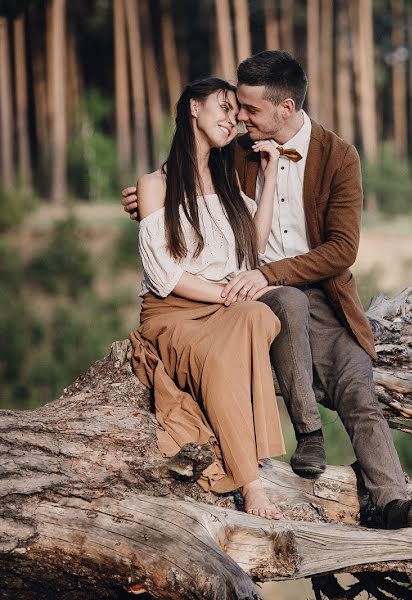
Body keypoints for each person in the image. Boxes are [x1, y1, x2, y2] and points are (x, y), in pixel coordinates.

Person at [124, 51, 412, 529]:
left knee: (358, 390)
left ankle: (393, 503)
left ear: (285, 107)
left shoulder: (338, 156)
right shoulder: (238, 152)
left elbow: (342, 249)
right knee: (277, 309)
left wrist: (269, 275)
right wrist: (146, 200)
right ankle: (306, 436)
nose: (239, 119)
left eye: (248, 110)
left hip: (314, 293)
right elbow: (186, 179)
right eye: (234, 109)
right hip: (250, 294)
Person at [129, 77, 287, 520]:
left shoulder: (227, 182)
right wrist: (226, 293)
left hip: (226, 308)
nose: (233, 117)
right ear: (192, 108)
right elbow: (165, 274)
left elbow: (252, 248)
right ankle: (252, 485)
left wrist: (270, 175)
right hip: (174, 313)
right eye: (224, 106)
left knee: (258, 314)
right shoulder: (154, 185)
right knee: (226, 348)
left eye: (237, 113)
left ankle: (252, 461)